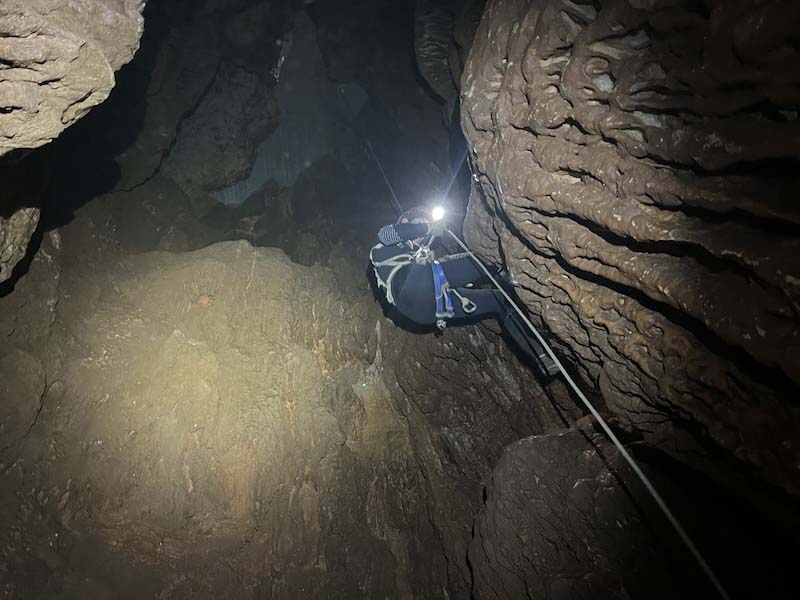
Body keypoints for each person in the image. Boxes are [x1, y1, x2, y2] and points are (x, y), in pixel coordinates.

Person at [369, 207, 558, 377]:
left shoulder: (422, 256)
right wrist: (427, 227)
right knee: (485, 257)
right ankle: (518, 266)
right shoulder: (385, 246)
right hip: (408, 286)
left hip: (424, 312)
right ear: (404, 222)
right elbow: (386, 234)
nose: (421, 230)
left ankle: (540, 356)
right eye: (418, 222)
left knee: (499, 300)